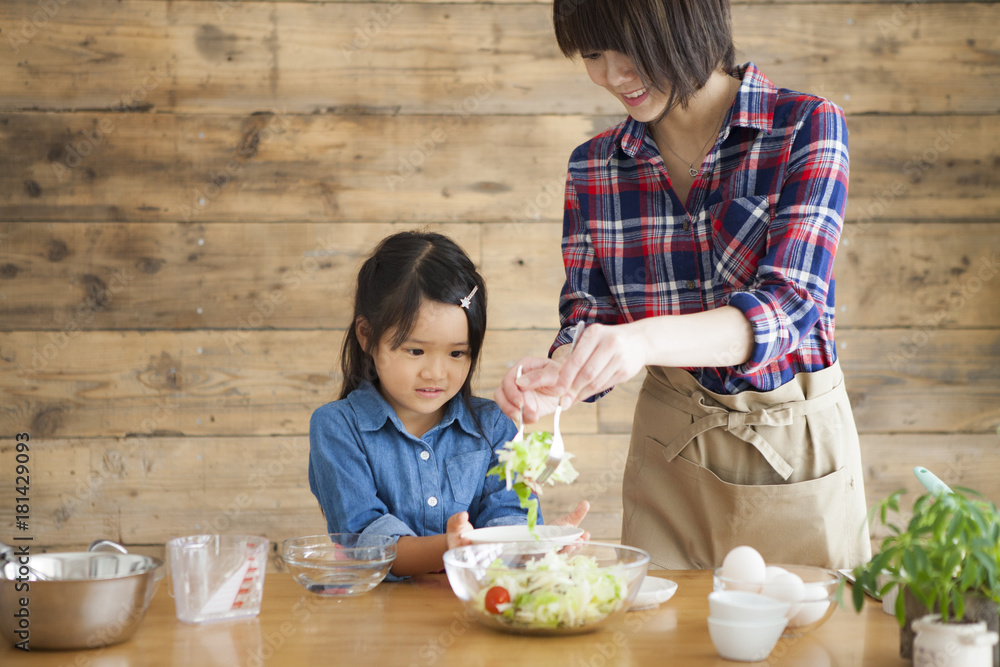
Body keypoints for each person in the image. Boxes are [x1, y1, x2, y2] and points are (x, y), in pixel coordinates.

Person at [495, 0, 871, 570]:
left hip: (792, 441)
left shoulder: (805, 127)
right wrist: (564, 372)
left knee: (808, 645)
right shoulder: (594, 167)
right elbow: (588, 314)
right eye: (595, 54)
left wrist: (641, 342)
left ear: (691, 23)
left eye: (632, 48)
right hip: (667, 447)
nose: (615, 75)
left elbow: (787, 308)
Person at [309, 231, 588, 578]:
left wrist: (534, 547)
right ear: (367, 335)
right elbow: (366, 543)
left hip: (473, 613)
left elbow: (507, 518)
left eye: (457, 353)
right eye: (415, 351)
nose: (436, 373)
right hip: (377, 615)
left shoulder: (494, 424)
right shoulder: (337, 427)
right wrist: (452, 547)